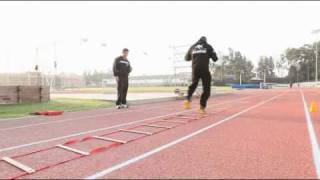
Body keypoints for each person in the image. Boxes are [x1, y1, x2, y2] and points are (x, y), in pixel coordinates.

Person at [184, 36, 218, 113]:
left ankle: (188, 99)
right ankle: (202, 108)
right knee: (206, 89)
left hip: (195, 69)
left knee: (194, 84)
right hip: (204, 69)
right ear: (206, 41)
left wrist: (195, 56)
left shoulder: (192, 47)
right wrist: (211, 54)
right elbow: (215, 59)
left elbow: (186, 58)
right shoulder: (208, 47)